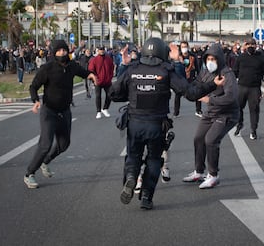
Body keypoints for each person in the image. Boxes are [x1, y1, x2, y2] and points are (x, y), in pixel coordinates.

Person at [109, 38, 224, 210]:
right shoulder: (166, 70)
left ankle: (132, 176)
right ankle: (147, 197)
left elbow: (114, 94)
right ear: (163, 52)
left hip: (135, 122)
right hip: (156, 124)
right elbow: (190, 93)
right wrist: (211, 84)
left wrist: (126, 72)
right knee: (154, 160)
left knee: (133, 156)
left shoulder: (132, 69)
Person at [24, 40, 97, 189]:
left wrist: (91, 75)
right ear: (54, 52)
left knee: (64, 144)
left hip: (64, 112)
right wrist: (35, 101)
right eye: (59, 51)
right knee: (45, 144)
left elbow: (84, 72)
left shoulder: (72, 66)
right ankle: (29, 174)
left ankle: (46, 161)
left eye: (64, 50)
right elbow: (34, 86)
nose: (62, 53)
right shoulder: (47, 68)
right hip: (49, 111)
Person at [182, 43, 239, 189]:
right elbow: (196, 85)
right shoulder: (205, 72)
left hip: (227, 114)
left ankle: (213, 175)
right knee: (198, 138)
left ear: (220, 59)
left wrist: (210, 100)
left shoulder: (227, 74)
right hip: (211, 113)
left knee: (211, 140)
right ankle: (199, 172)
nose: (210, 62)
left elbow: (231, 97)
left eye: (214, 59)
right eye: (208, 59)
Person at [233, 38, 264, 140]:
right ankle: (239, 124)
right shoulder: (241, 57)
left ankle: (253, 130)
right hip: (241, 86)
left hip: (255, 88)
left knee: (254, 110)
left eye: (253, 44)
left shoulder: (261, 57)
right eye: (248, 44)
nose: (251, 46)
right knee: (238, 108)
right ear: (245, 46)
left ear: (256, 45)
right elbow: (234, 71)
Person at [88, 45, 114, 119]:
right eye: (100, 49)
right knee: (98, 96)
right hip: (98, 81)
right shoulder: (94, 60)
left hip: (107, 81)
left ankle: (105, 108)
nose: (101, 51)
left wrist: (110, 77)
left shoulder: (108, 59)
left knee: (110, 94)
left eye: (102, 49)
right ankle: (98, 111)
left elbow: (112, 68)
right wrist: (94, 79)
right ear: (98, 50)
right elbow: (91, 70)